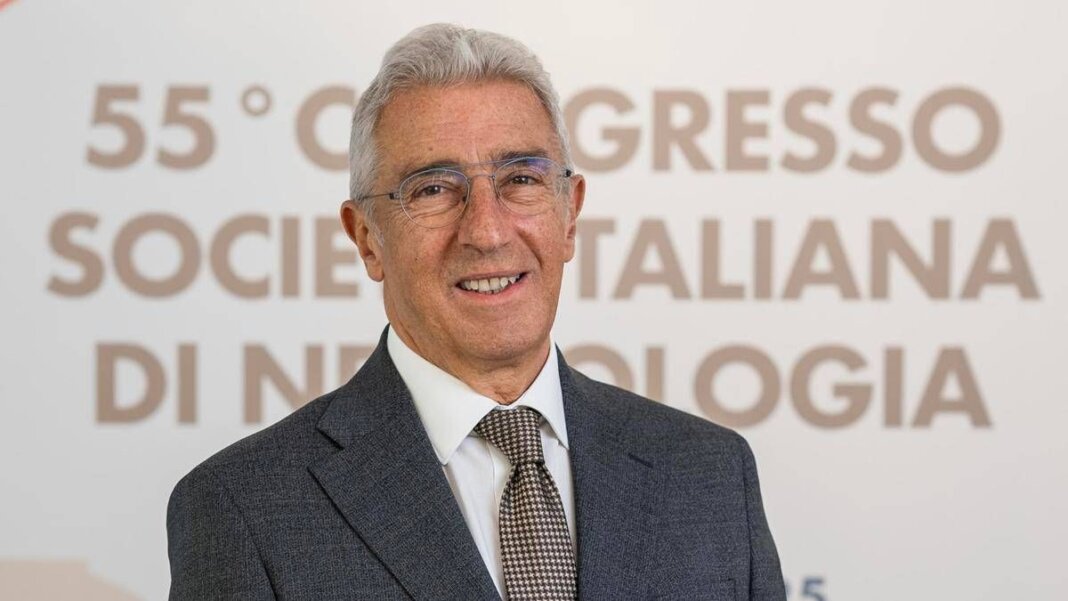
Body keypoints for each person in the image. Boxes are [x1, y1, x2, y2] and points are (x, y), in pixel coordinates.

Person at [167, 23, 786, 601]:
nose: (487, 232)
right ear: (367, 239)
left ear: (570, 215)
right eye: (434, 189)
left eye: (521, 179)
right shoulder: (242, 508)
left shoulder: (711, 474)